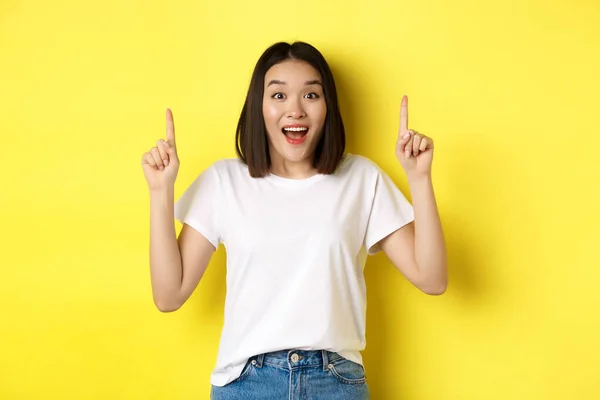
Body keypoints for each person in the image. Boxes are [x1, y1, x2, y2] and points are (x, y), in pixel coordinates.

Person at [141, 41, 447, 400]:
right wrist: (160, 192)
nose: (295, 110)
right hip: (246, 384)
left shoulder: (362, 178)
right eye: (279, 95)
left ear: (327, 106)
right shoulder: (223, 182)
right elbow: (168, 295)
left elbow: (432, 278)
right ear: (260, 106)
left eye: (311, 95)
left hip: (335, 382)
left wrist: (420, 179)